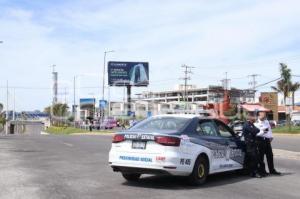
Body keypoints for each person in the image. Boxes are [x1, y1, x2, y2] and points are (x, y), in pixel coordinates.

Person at [255, 111, 281, 175]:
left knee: (270, 156)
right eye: (263, 113)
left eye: (265, 113)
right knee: (261, 157)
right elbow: (255, 134)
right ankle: (262, 171)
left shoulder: (266, 121)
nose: (265, 114)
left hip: (267, 141)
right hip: (260, 141)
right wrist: (263, 132)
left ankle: (272, 170)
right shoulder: (256, 123)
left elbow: (269, 130)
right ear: (259, 114)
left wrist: (271, 137)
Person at [242, 112, 263, 178]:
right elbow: (254, 131)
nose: (255, 118)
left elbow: (257, 130)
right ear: (250, 118)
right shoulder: (246, 124)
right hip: (249, 145)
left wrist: (255, 130)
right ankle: (254, 172)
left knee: (253, 159)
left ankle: (251, 172)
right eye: (253, 117)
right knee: (254, 159)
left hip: (253, 144)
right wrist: (255, 130)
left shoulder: (251, 124)